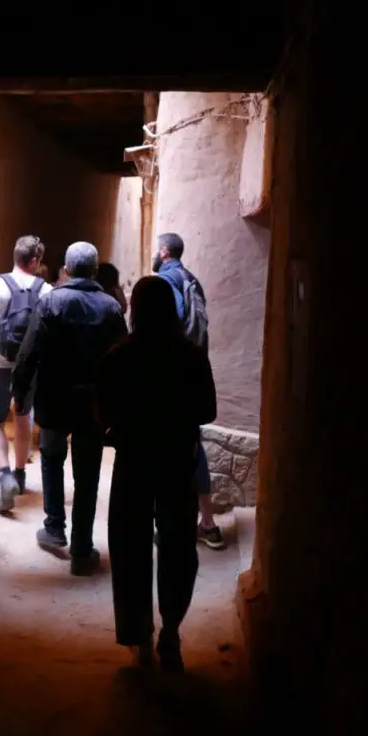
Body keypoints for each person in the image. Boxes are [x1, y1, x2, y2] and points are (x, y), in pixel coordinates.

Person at [96, 275, 217, 672]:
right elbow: (207, 411)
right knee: (179, 546)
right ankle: (171, 632)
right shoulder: (191, 355)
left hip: (133, 461)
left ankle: (139, 636)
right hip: (177, 460)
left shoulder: (119, 356)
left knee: (130, 547)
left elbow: (104, 413)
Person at [13, 241, 127, 575]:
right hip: (93, 404)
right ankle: (80, 548)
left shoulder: (50, 302)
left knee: (51, 459)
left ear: (66, 268)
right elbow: (121, 358)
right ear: (94, 270)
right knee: (88, 473)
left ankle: (53, 527)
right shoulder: (110, 308)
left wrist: (20, 391)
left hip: (54, 398)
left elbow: (29, 351)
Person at [152, 232, 225, 549]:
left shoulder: (167, 280)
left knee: (163, 449)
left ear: (164, 251)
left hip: (170, 375)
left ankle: (170, 527)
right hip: (192, 372)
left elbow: (175, 317)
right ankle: (207, 523)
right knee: (193, 446)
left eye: (158, 248)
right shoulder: (192, 279)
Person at [0, 235, 52, 513]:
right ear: (34, 261)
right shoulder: (46, 290)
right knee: (22, 414)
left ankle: (5, 474)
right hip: (28, 369)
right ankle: (20, 473)